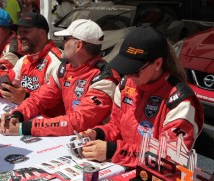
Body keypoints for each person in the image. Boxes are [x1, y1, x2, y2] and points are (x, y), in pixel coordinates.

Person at [80, 26, 204, 168]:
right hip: (124, 167)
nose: (129, 76)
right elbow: (116, 126)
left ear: (158, 63)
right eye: (125, 69)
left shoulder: (180, 101)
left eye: (135, 71)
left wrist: (113, 151)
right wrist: (97, 134)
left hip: (159, 179)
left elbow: (171, 157)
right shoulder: (126, 84)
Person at [0, 19, 120, 136]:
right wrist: (18, 114)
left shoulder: (104, 79)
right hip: (75, 139)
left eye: (66, 39)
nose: (62, 43)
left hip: (96, 147)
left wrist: (25, 128)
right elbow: (39, 99)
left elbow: (79, 122)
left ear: (79, 45)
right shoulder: (65, 69)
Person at [0, 12, 63, 110]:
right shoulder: (24, 60)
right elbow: (4, 87)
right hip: (25, 115)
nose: (20, 37)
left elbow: (54, 102)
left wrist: (26, 98)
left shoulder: (57, 62)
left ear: (42, 33)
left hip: (45, 121)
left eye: (26, 32)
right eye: (19, 32)